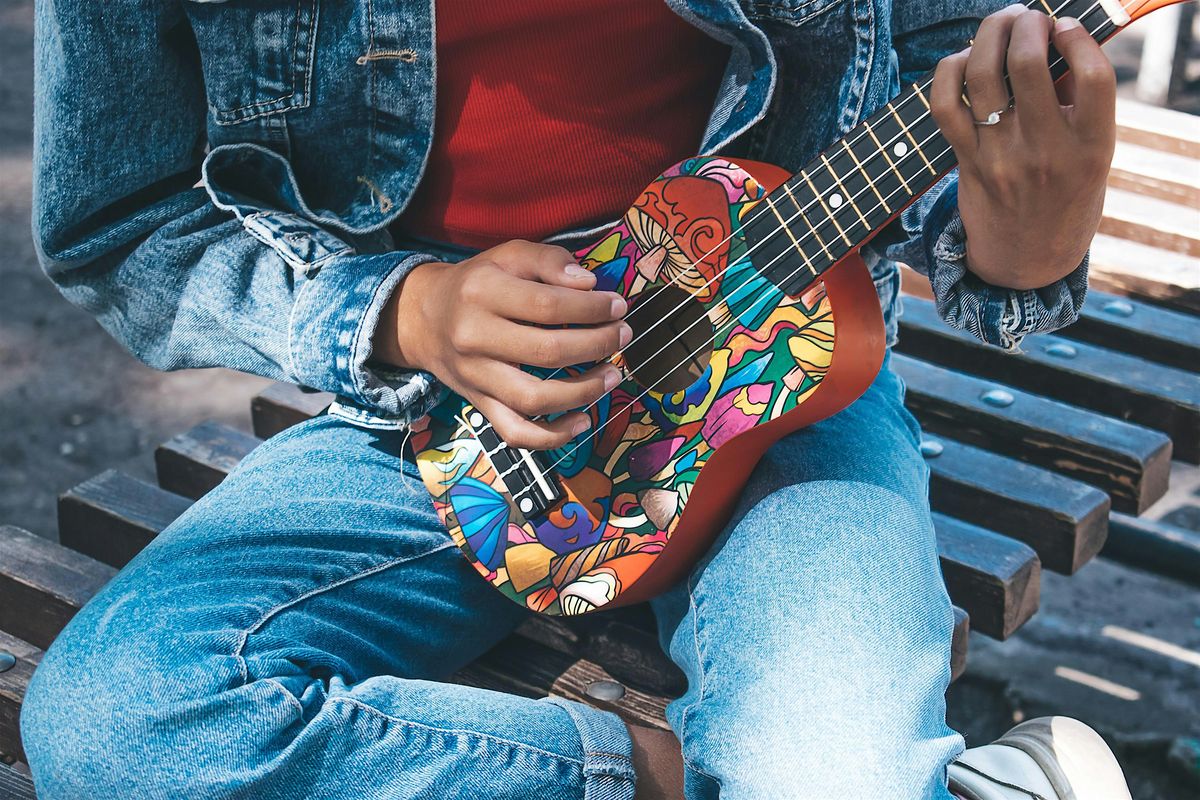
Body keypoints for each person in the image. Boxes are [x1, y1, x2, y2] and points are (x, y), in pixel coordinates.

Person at [21, 0, 1132, 797]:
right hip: (434, 410)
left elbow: (946, 83)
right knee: (123, 722)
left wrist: (1027, 245)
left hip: (781, 383)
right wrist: (407, 310)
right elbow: (122, 222)